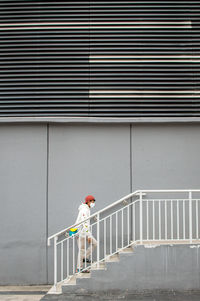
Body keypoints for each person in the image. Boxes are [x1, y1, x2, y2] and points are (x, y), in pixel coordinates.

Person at [75, 195, 97, 273]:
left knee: (94, 243)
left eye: (93, 202)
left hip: (84, 232)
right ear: (88, 201)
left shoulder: (86, 209)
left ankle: (84, 257)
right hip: (81, 232)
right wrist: (89, 235)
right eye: (92, 202)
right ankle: (79, 268)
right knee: (82, 250)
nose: (93, 203)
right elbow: (85, 223)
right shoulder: (84, 210)